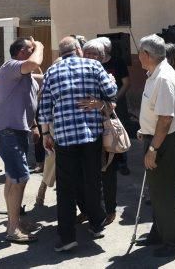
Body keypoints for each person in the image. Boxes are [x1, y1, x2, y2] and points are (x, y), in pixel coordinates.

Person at [38, 36, 117, 253]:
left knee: (66, 188)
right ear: (78, 49)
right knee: (92, 181)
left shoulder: (51, 72)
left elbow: (44, 107)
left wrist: (45, 132)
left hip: (64, 137)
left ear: (60, 52)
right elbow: (111, 93)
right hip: (91, 135)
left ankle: (66, 238)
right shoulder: (93, 65)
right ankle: (96, 225)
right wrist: (109, 81)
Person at [134, 34, 175, 258]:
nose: (138, 57)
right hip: (156, 138)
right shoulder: (155, 74)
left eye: (140, 53)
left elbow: (166, 119)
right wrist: (145, 130)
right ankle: (160, 232)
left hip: (164, 143)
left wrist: (153, 149)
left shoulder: (163, 78)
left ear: (147, 55)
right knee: (156, 193)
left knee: (164, 193)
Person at [0, 37, 44, 244]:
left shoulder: (28, 76)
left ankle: (14, 220)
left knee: (12, 178)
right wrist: (39, 45)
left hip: (17, 131)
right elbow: (34, 63)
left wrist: (35, 125)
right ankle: (13, 229)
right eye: (30, 49)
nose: (35, 52)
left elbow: (45, 77)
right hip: (7, 132)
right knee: (20, 178)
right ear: (22, 52)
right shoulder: (10, 66)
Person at [80, 40, 120, 226]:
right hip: (84, 131)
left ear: (102, 58)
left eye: (95, 55)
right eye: (87, 54)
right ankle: (91, 210)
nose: (90, 58)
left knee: (107, 171)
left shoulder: (107, 76)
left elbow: (113, 104)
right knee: (88, 174)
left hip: (104, 130)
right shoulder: (79, 74)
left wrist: (99, 104)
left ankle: (110, 209)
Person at [98, 36, 132, 176]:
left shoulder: (118, 62)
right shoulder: (96, 63)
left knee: (119, 131)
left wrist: (115, 98)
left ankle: (123, 162)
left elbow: (126, 83)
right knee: (106, 133)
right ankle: (106, 161)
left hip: (117, 104)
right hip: (101, 106)